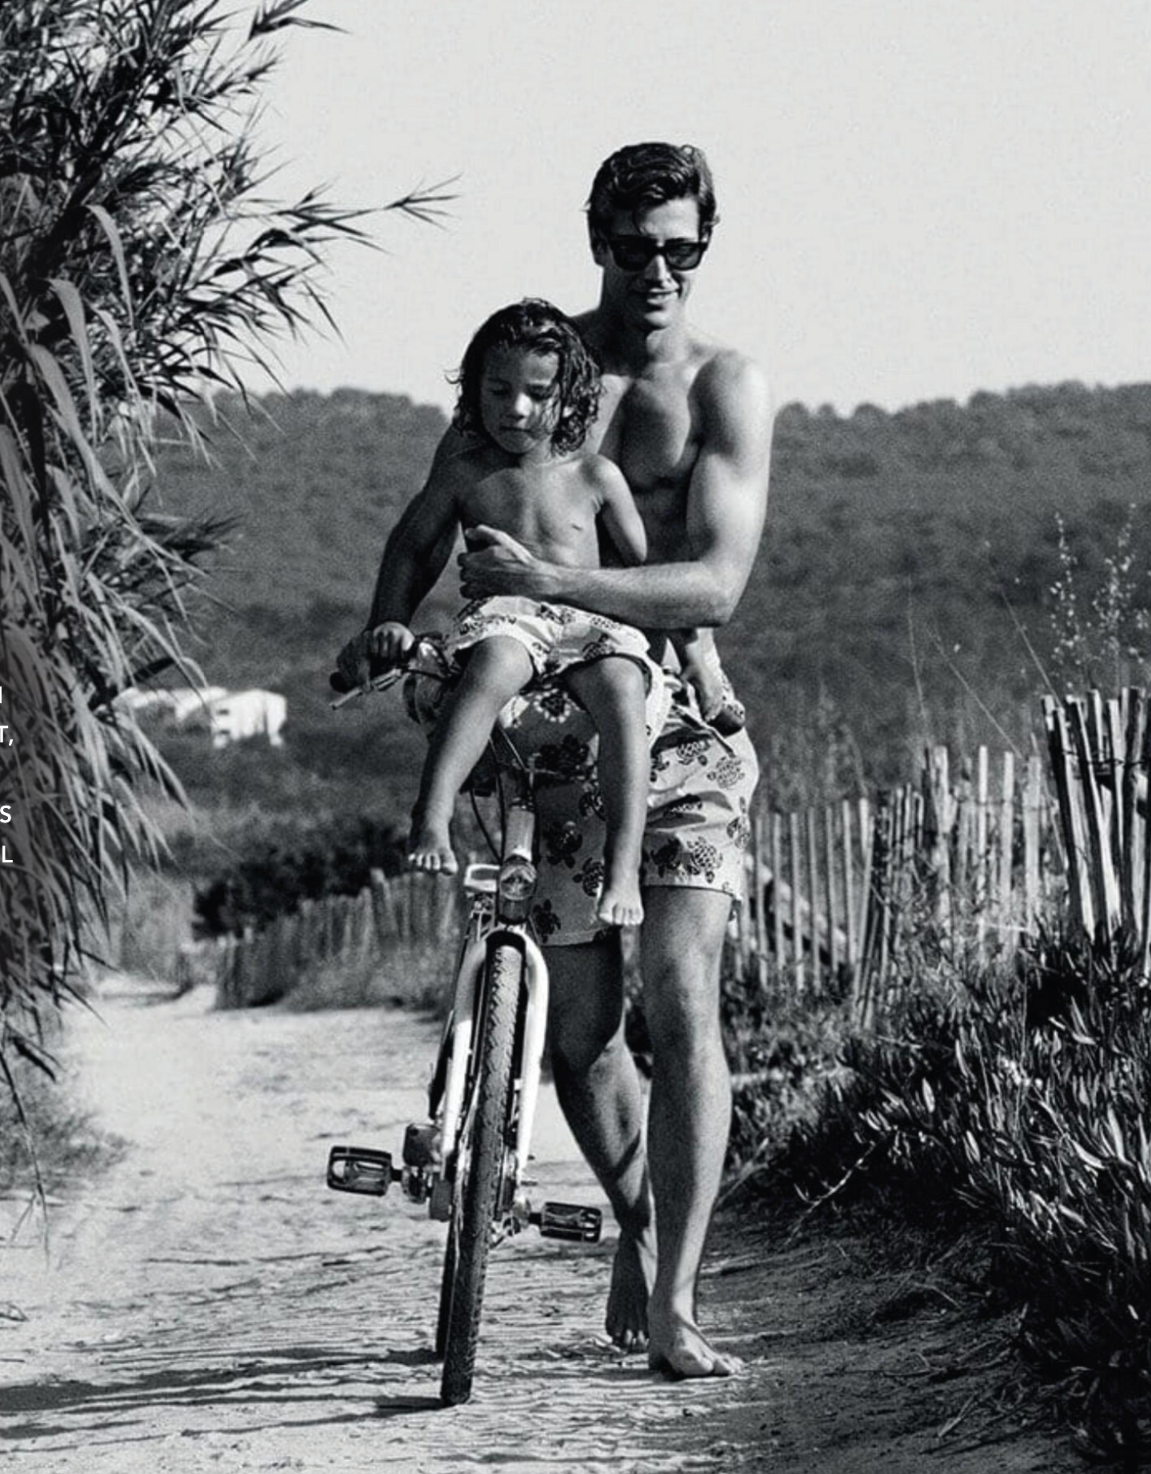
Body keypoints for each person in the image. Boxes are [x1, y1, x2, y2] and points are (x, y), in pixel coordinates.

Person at [339, 141, 773, 1380]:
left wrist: (554, 586)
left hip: (678, 721)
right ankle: (637, 1224)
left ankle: (680, 1300)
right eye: (636, 248)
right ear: (597, 237)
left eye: (682, 251)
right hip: (544, 736)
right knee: (577, 1033)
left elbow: (715, 583)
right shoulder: (534, 378)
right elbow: (434, 520)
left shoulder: (724, 390)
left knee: (679, 995)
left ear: (704, 249)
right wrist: (393, 629)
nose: (658, 272)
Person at [361, 298, 667, 927]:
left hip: (585, 613)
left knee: (621, 687)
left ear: (571, 396)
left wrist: (680, 652)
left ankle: (624, 864)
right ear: (473, 389)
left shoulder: (596, 474)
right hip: (505, 616)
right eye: (498, 390)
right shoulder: (464, 473)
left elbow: (644, 575)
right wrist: (387, 620)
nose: (516, 408)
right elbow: (414, 542)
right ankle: (433, 813)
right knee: (495, 663)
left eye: (537, 392)